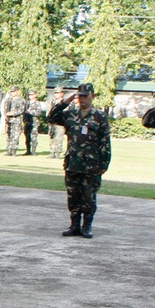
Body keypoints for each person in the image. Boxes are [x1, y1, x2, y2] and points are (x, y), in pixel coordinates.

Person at [47, 83, 111, 238]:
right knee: (73, 196)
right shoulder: (71, 114)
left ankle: (87, 226)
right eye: (80, 95)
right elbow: (51, 117)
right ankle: (74, 225)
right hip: (73, 162)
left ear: (93, 96)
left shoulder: (99, 116)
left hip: (91, 164)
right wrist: (65, 102)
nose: (82, 99)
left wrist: (104, 164)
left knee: (88, 196)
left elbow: (105, 141)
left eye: (85, 96)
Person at [3, 86, 25, 157]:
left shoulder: (21, 100)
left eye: (14, 91)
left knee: (15, 135)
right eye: (11, 91)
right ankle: (9, 150)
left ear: (17, 91)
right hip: (9, 120)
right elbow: (5, 109)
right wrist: (6, 116)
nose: (12, 93)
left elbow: (22, 110)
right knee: (9, 135)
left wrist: (13, 113)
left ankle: (14, 151)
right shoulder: (8, 100)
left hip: (16, 120)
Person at [48, 87, 67, 159]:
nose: (56, 94)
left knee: (59, 137)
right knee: (52, 137)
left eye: (58, 93)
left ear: (62, 93)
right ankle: (52, 152)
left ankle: (58, 153)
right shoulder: (53, 102)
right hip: (52, 123)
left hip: (60, 123)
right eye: (55, 93)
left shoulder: (64, 102)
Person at [23, 90, 42, 155]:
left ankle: (33, 151)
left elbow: (39, 113)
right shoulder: (27, 103)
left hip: (34, 122)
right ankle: (28, 150)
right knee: (27, 137)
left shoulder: (37, 103)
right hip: (27, 122)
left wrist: (31, 112)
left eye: (32, 95)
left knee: (34, 137)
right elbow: (24, 112)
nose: (30, 96)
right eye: (29, 95)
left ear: (35, 95)